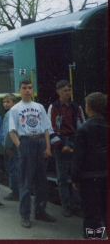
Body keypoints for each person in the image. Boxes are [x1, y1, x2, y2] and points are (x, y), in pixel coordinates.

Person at [8, 78, 56, 228]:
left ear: (32, 89)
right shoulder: (15, 109)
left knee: (41, 180)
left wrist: (48, 147)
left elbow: (46, 128)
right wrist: (20, 147)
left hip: (40, 142)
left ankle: (40, 212)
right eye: (24, 88)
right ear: (19, 90)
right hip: (26, 142)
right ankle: (25, 215)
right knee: (26, 181)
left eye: (30, 87)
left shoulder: (39, 107)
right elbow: (12, 131)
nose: (27, 90)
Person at [71, 92, 107, 239]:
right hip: (106, 176)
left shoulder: (84, 129)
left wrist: (75, 179)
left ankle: (94, 239)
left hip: (89, 179)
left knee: (91, 215)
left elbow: (78, 158)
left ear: (87, 108)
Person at [47, 80, 85, 217]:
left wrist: (80, 143)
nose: (68, 93)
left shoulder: (76, 107)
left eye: (69, 90)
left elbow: (82, 125)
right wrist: (60, 145)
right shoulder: (54, 107)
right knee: (62, 177)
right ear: (58, 92)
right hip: (62, 142)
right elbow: (50, 128)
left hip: (75, 140)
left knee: (76, 175)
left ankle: (77, 205)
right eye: (64, 90)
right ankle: (66, 206)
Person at [2, 93, 19, 201]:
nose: (5, 104)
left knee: (12, 168)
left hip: (12, 146)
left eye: (8, 102)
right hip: (17, 144)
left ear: (14, 103)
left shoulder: (9, 114)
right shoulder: (17, 112)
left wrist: (7, 147)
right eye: (4, 102)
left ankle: (15, 192)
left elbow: (9, 133)